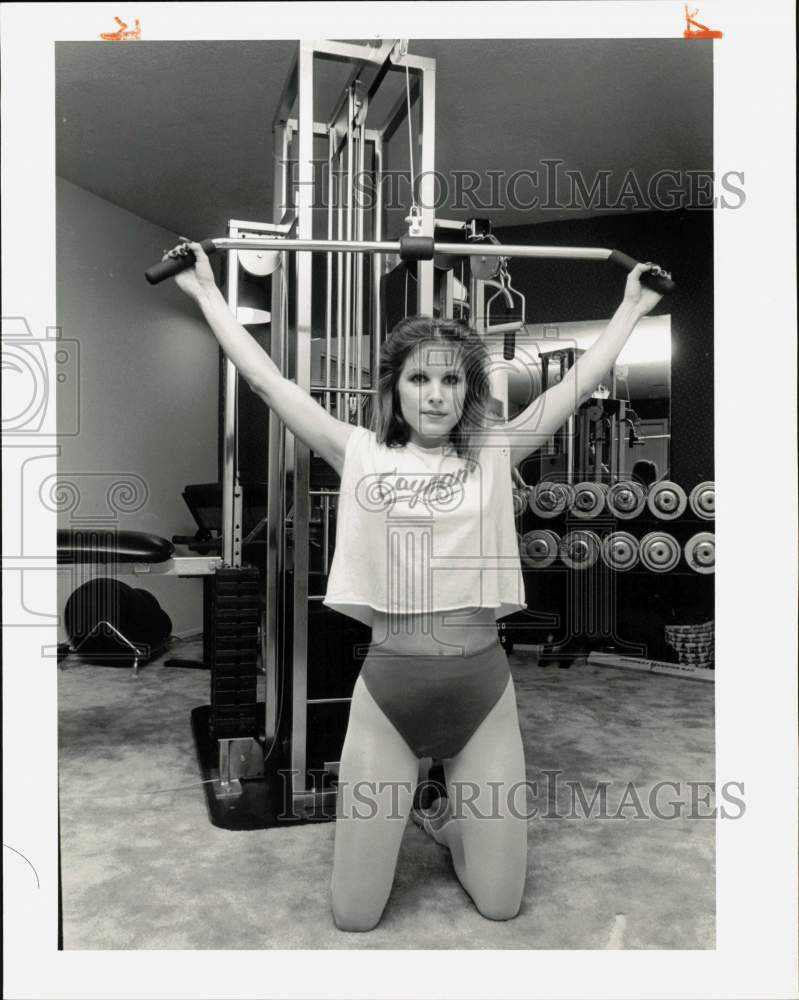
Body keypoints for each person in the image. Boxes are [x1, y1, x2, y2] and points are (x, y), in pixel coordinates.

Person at [168, 241, 663, 931]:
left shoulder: (492, 451)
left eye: (451, 382)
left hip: (482, 694)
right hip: (390, 693)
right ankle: (426, 813)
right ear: (393, 390)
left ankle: (446, 826)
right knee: (354, 915)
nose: (435, 395)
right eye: (419, 381)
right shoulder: (358, 450)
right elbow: (267, 384)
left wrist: (631, 306)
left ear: (468, 391)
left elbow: (572, 388)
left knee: (500, 904)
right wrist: (205, 293)